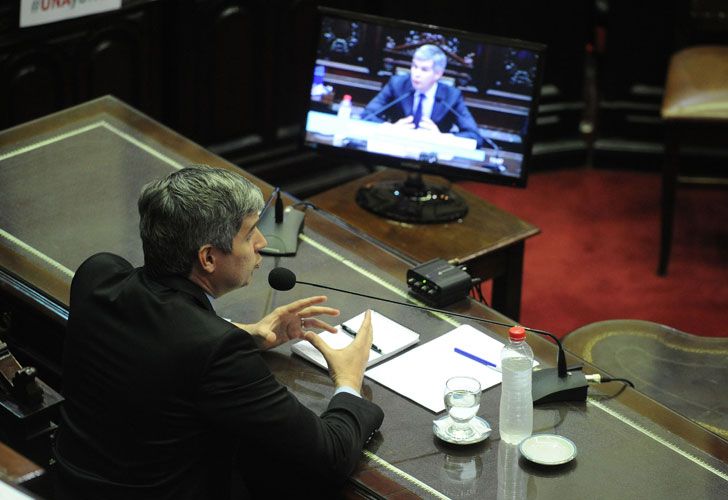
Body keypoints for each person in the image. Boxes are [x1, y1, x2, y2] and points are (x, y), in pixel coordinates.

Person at [53, 165, 384, 499]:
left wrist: (248, 333)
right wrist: (348, 383)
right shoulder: (218, 350)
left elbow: (154, 331)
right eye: (251, 232)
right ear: (208, 258)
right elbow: (330, 455)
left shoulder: (97, 275)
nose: (263, 242)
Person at [362, 44, 483, 147]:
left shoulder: (451, 96)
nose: (416, 74)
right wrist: (390, 129)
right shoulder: (397, 84)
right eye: (414, 66)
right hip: (396, 148)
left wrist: (441, 138)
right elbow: (366, 116)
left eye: (424, 70)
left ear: (438, 74)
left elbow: (474, 136)